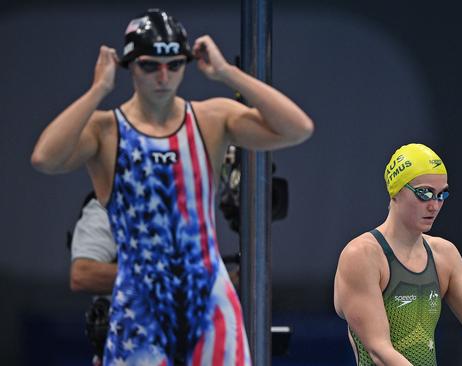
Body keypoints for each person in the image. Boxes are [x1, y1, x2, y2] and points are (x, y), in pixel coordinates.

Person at [31, 9, 313, 365]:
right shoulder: (104, 131)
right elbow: (44, 158)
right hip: (139, 310)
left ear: (186, 64)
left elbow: (298, 128)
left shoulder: (211, 119)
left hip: (210, 306)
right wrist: (97, 89)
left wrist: (227, 73)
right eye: (150, 65)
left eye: (175, 64)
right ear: (130, 66)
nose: (163, 76)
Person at [333, 143, 462, 365]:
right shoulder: (362, 255)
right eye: (424, 193)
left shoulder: (445, 255)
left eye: (442, 194)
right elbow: (379, 350)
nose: (434, 205)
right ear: (395, 191)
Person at [68, 192, 117, 365]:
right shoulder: (107, 204)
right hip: (130, 349)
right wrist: (154, 275)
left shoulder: (194, 201)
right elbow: (82, 275)